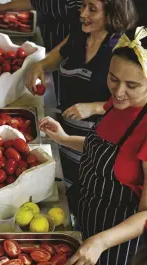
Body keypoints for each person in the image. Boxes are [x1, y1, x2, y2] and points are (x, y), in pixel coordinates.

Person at [39, 27, 147, 265]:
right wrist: (63, 138)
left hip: (120, 248)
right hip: (90, 223)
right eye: (113, 79)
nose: (118, 92)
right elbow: (104, 147)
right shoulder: (119, 105)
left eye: (132, 85)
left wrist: (101, 242)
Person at [26, 0, 138, 200]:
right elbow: (60, 54)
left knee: (86, 191)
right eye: (83, 5)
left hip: (96, 139)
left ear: (111, 14)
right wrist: (40, 65)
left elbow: (132, 101)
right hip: (65, 130)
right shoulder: (80, 34)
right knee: (64, 190)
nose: (83, 13)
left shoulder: (120, 50)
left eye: (92, 9)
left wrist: (95, 107)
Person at [0, 0, 82, 54]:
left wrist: (48, 60)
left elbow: (82, 31)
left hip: (75, 53)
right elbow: (39, 2)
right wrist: (3, 7)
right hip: (51, 43)